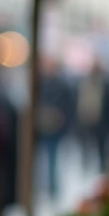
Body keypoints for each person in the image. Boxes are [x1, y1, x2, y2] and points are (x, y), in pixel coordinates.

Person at [36, 58, 72, 199]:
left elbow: (68, 107)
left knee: (52, 158)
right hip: (43, 128)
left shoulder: (61, 85)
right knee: (44, 159)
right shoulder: (41, 84)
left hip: (56, 129)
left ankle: (52, 186)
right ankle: (46, 185)